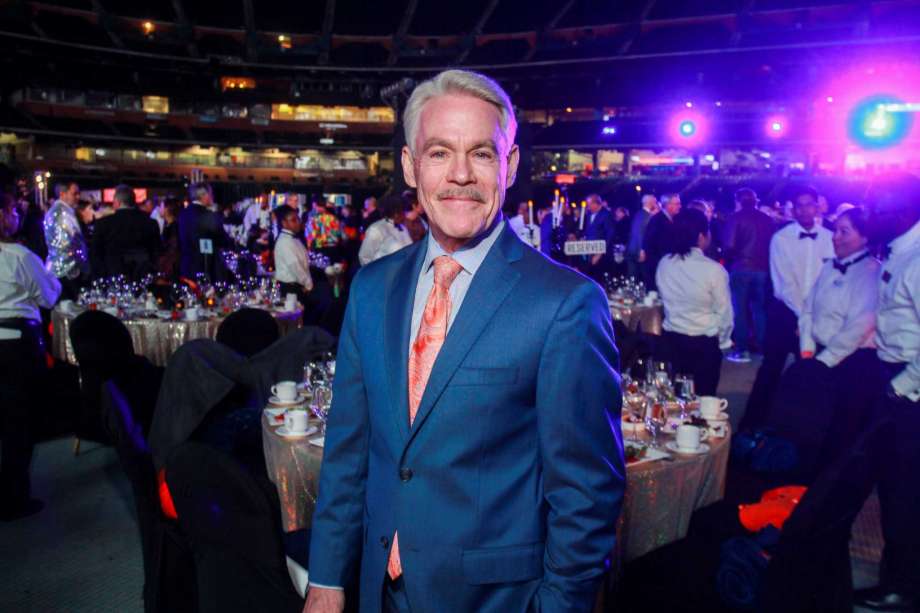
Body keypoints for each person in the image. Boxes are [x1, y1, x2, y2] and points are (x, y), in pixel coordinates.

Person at [305, 69, 624, 613]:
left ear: (510, 164)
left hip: (493, 599)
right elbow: (349, 451)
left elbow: (585, 496)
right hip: (376, 589)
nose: (460, 175)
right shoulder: (372, 288)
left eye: (480, 153)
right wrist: (328, 579)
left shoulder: (565, 304)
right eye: (438, 153)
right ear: (409, 166)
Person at [854, 173, 920, 612]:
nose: (867, 217)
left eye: (876, 209)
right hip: (895, 375)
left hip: (909, 390)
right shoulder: (900, 250)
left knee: (904, 494)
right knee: (895, 490)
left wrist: (901, 386)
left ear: (901, 212)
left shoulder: (916, 259)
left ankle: (902, 589)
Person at [742, 186, 834, 430]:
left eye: (809, 204)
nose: (804, 209)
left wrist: (813, 317)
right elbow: (784, 284)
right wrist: (804, 317)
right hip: (786, 313)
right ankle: (752, 427)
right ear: (793, 209)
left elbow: (830, 282)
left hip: (819, 314)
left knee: (815, 372)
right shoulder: (781, 238)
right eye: (799, 205)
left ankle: (803, 428)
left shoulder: (830, 238)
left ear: (818, 206)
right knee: (771, 369)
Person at [793, 206, 881, 455]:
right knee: (813, 425)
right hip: (820, 357)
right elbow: (808, 309)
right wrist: (808, 351)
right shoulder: (830, 266)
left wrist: (823, 362)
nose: (835, 237)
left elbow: (860, 325)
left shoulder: (871, 272)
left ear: (865, 237)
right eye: (835, 230)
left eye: (845, 232)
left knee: (842, 434)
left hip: (852, 363)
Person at [0, 197, 61, 520]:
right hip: (15, 345)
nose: (16, 215)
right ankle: (13, 498)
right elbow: (49, 296)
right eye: (11, 210)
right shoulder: (19, 256)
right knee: (17, 421)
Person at [655, 208, 733, 396]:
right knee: (704, 401)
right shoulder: (713, 270)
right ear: (701, 236)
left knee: (674, 399)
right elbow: (725, 314)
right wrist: (722, 342)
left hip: (672, 340)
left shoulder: (664, 263)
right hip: (704, 344)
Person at [722, 188, 775, 363]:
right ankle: (762, 347)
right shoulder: (767, 219)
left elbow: (729, 245)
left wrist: (729, 260)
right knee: (759, 310)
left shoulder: (735, 218)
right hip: (762, 269)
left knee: (740, 309)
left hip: (741, 267)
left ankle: (742, 349)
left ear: (738, 200)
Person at [91, 185, 161, 281]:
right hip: (144, 280)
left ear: (117, 203)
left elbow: (95, 256)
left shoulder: (103, 224)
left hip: (112, 279)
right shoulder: (150, 223)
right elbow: (156, 253)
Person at [274, 205, 327, 326]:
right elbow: (296, 267)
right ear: (284, 223)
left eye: (297, 219)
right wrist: (309, 285)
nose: (298, 222)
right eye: (293, 220)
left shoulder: (294, 239)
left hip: (298, 287)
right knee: (297, 324)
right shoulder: (285, 242)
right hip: (292, 289)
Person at [44, 182, 89, 299]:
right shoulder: (61, 213)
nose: (78, 197)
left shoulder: (60, 210)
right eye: (75, 194)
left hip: (62, 269)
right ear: (63, 194)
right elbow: (66, 243)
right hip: (66, 271)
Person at [177, 183, 230, 280]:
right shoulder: (208, 215)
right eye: (211, 194)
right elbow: (223, 239)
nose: (212, 197)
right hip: (206, 266)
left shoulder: (182, 214)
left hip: (187, 265)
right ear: (204, 196)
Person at [358, 195, 412, 266]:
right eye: (404, 212)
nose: (405, 215)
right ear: (396, 214)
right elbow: (364, 257)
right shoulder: (377, 229)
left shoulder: (403, 228)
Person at [642, 193, 680, 290]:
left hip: (667, 265)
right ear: (668, 205)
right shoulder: (657, 220)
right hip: (657, 266)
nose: (680, 206)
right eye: (677, 204)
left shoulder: (673, 220)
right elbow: (650, 244)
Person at [583, 193, 617, 284]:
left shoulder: (606, 215)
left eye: (589, 204)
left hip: (601, 254)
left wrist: (599, 253)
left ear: (595, 204)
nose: (587, 206)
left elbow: (609, 235)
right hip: (589, 251)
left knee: (600, 279)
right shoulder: (589, 215)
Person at [626, 194, 659, 283]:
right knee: (640, 276)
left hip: (634, 248)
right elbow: (639, 233)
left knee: (634, 275)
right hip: (638, 250)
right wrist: (642, 250)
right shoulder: (644, 215)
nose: (656, 203)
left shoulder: (641, 214)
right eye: (655, 201)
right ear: (650, 202)